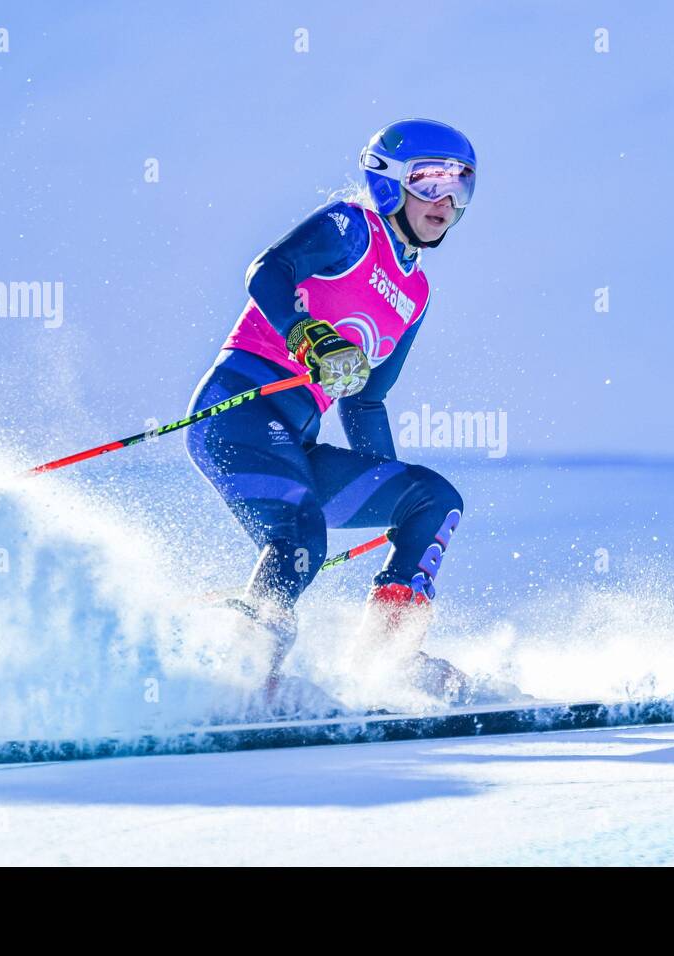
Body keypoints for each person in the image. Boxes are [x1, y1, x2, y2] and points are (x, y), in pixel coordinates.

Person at [186, 118, 483, 713]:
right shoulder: (352, 226)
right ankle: (245, 673)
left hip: (294, 440)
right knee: (300, 536)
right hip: (236, 416)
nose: (445, 201)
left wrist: (389, 496)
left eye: (461, 186)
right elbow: (268, 271)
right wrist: (306, 335)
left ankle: (385, 661)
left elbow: (367, 398)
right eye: (428, 180)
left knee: (433, 499)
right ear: (389, 181)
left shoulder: (416, 293)